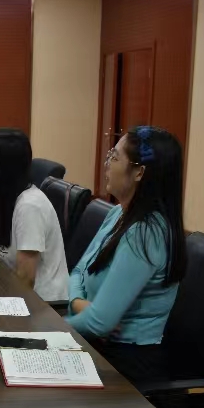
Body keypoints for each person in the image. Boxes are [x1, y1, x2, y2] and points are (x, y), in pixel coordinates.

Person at [65, 127, 187, 383]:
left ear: (139, 172)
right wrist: (78, 303)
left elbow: (100, 323)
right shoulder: (118, 213)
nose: (107, 163)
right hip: (96, 343)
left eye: (115, 157)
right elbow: (78, 271)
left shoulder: (146, 233)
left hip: (125, 365)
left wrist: (50, 330)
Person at [0, 129, 68, 301]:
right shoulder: (9, 197)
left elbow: (26, 278)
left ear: (0, 165)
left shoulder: (30, 206)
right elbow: (2, 255)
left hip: (44, 302)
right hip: (15, 289)